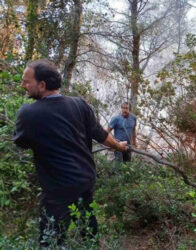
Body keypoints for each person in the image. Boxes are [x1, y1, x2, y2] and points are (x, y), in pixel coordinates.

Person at [13, 59, 128, 247]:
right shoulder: (80, 104)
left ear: (42, 85)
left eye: (27, 81)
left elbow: (21, 142)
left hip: (57, 190)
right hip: (85, 180)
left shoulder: (28, 113)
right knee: (89, 232)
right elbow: (101, 135)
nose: (22, 85)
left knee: (51, 241)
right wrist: (119, 147)